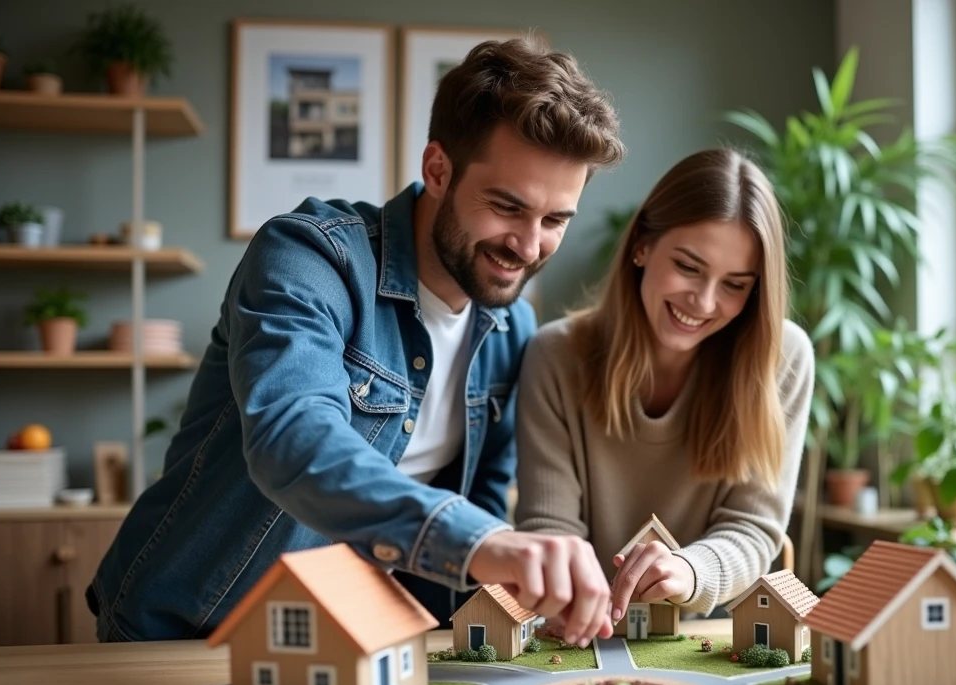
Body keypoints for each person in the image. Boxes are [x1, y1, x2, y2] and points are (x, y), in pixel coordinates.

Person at [88, 38, 626, 648]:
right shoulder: (309, 257)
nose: (529, 248)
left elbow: (480, 499)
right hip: (191, 631)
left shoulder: (511, 329)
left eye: (555, 220)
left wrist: (523, 597)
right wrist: (478, 541)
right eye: (507, 207)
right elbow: (294, 438)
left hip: (359, 640)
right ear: (438, 170)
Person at [515, 148, 814, 628]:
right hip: (579, 629)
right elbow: (549, 529)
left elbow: (755, 529)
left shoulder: (782, 358)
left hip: (711, 636)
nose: (704, 301)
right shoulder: (555, 356)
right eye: (689, 267)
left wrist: (689, 571)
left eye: (735, 284)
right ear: (642, 247)